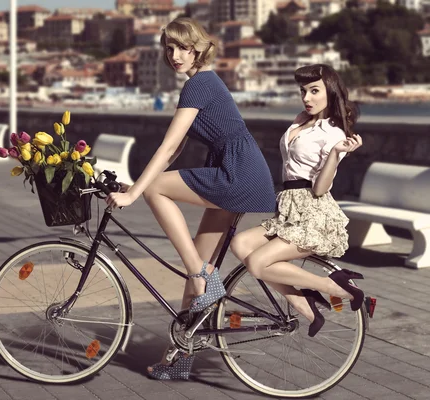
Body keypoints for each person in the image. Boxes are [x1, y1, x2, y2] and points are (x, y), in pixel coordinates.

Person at [104, 17, 277, 380]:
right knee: (198, 269)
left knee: (157, 193)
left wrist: (136, 191)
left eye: (184, 47)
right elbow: (174, 151)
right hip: (240, 168)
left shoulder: (200, 84)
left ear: (198, 48)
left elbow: (167, 146)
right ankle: (178, 361)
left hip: (238, 171)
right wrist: (132, 186)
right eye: (170, 48)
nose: (176, 55)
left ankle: (201, 277)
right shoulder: (201, 84)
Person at [230, 63, 364, 339]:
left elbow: (320, 188)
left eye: (315, 91)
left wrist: (335, 154)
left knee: (257, 263)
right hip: (289, 207)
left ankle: (338, 288)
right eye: (303, 91)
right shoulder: (301, 118)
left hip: (313, 211)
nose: (307, 98)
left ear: (330, 91)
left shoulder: (334, 133)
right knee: (240, 243)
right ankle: (307, 305)